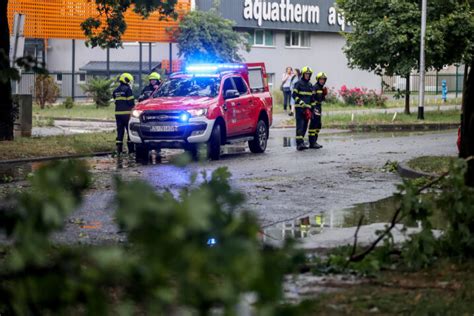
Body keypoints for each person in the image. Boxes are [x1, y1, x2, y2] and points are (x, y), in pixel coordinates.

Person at [292, 66, 315, 151]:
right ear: (303, 74)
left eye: (309, 74)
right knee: (300, 126)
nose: (307, 75)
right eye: (306, 74)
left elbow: (312, 98)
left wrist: (312, 108)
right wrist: (301, 102)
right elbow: (294, 95)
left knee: (305, 126)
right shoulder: (298, 83)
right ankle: (299, 144)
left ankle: (302, 142)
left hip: (307, 109)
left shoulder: (310, 85)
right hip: (299, 108)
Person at [113, 73, 135, 154]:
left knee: (120, 131)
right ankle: (131, 150)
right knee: (129, 131)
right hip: (127, 114)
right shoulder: (128, 90)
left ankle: (119, 150)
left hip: (118, 114)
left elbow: (116, 102)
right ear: (127, 80)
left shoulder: (115, 90)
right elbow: (131, 103)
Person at [308, 72, 328, 149]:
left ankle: (315, 142)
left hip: (319, 107)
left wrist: (324, 94)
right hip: (315, 107)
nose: (322, 81)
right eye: (321, 79)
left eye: (323, 79)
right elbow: (312, 98)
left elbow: (322, 99)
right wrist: (313, 109)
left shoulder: (321, 88)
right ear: (318, 79)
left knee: (318, 125)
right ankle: (312, 143)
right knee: (313, 125)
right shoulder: (315, 87)